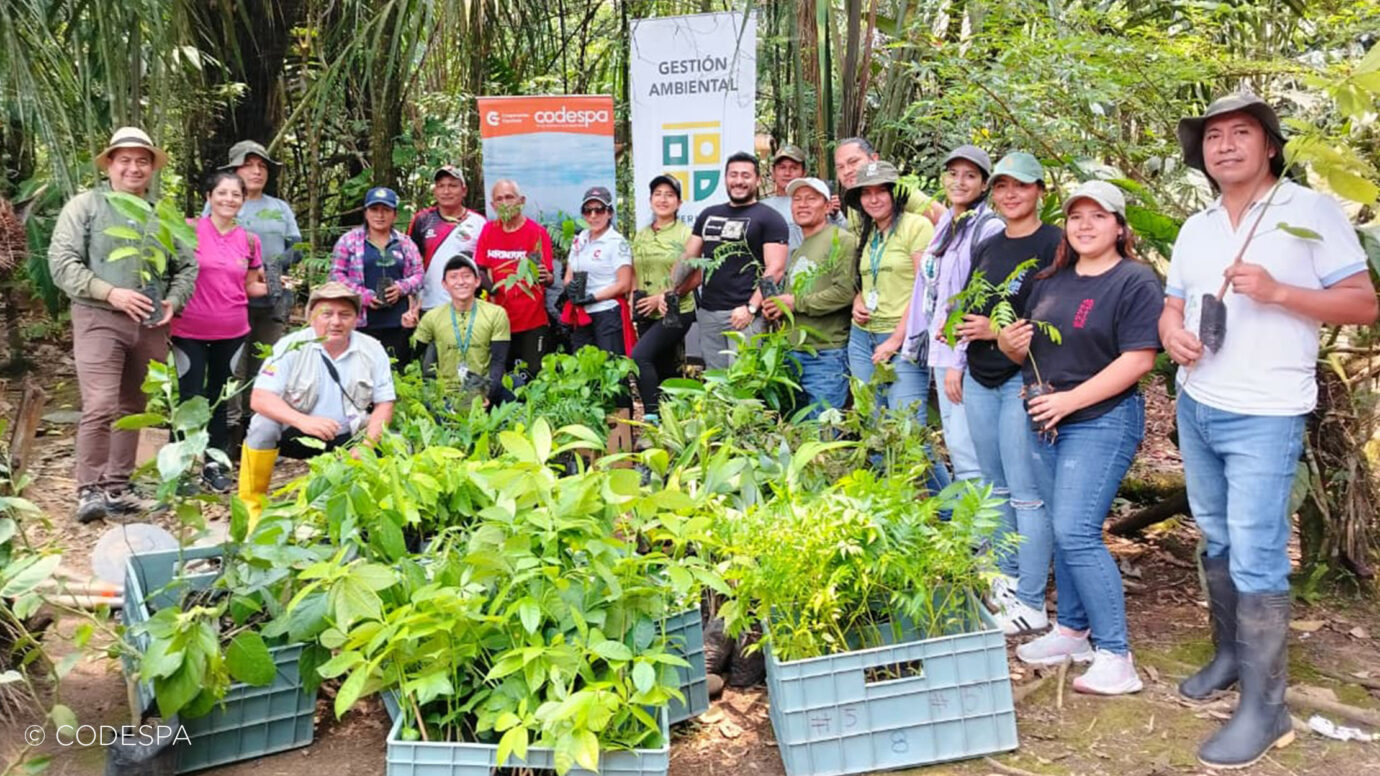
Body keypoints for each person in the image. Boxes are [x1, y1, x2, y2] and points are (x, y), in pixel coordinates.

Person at [1159, 94, 1376, 769]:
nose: (1225, 145)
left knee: (1256, 553)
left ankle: (1266, 707)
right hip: (1198, 402)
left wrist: (1279, 291)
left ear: (1271, 146)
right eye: (1213, 136)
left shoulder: (1308, 211)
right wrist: (1171, 333)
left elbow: (1364, 304)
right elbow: (1173, 302)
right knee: (1218, 537)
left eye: (1241, 133)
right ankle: (1230, 656)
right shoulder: (1196, 227)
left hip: (1266, 410)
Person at [998, 181, 1163, 696]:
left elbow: (1139, 359)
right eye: (1075, 216)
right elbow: (1028, 352)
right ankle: (1071, 631)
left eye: (1098, 216)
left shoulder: (1135, 280)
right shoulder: (1051, 281)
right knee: (1061, 525)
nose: (1085, 225)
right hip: (1046, 419)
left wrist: (1070, 401)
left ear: (1120, 226)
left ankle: (1116, 654)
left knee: (1077, 531)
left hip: (1102, 418)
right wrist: (1008, 345)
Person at [48, 127, 198, 523]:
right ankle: (89, 490)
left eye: (142, 161)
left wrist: (174, 299)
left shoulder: (162, 214)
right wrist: (110, 292)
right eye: (125, 160)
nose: (134, 168)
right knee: (100, 404)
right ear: (109, 165)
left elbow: (188, 265)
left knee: (135, 405)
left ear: (152, 168)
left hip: (150, 323)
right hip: (99, 318)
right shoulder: (86, 206)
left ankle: (118, 487)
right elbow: (62, 263)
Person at [957, 151, 1061, 635]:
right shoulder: (989, 243)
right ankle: (1005, 579)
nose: (1010, 194)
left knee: (1026, 494)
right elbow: (972, 307)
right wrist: (963, 347)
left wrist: (995, 332)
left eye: (1021, 185)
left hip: (1026, 380)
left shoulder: (1056, 244)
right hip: (981, 377)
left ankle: (1031, 597)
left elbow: (1054, 318)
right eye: (1001, 186)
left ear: (1040, 190)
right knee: (993, 487)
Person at [237, 282, 396, 522]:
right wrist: (303, 421)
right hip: (296, 432)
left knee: (390, 440)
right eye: (327, 314)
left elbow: (385, 403)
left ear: (356, 319)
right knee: (262, 426)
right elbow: (260, 398)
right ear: (311, 317)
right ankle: (251, 511)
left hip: (348, 436)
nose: (336, 322)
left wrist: (367, 446)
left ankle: (369, 516)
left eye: (345, 315)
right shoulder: (290, 345)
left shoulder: (372, 349)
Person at [902, 145, 1004, 486]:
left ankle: (980, 521)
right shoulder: (947, 222)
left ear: (985, 184)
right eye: (953, 173)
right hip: (941, 350)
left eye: (970, 176)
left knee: (967, 448)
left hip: (965, 355)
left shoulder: (988, 228)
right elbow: (930, 288)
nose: (959, 182)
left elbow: (977, 299)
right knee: (958, 445)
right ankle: (969, 518)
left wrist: (957, 362)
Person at [174, 170, 268, 492]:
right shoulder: (187, 230)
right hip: (188, 328)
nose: (229, 199)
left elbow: (251, 285)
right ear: (209, 197)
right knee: (189, 396)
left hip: (232, 330)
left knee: (220, 398)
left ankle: (214, 465)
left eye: (236, 194)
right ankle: (184, 466)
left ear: (243, 200)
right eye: (222, 193)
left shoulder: (249, 240)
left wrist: (276, 286)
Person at [208, 141, 302, 444]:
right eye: (248, 165)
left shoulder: (280, 208)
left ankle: (256, 433)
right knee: (233, 366)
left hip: (272, 297)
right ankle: (229, 433)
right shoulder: (222, 202)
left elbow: (296, 247)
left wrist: (272, 269)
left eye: (262, 166)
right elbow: (206, 242)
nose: (256, 171)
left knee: (265, 366)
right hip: (229, 299)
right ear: (235, 170)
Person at [671, 152, 788, 370]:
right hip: (709, 314)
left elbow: (776, 268)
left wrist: (751, 309)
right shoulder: (708, 215)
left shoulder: (770, 218)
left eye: (746, 175)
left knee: (743, 380)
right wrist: (672, 288)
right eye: (733, 175)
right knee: (716, 381)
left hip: (744, 315)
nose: (739, 181)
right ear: (725, 179)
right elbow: (688, 257)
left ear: (757, 180)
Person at [844, 160, 936, 418]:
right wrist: (858, 300)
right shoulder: (869, 231)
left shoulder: (916, 226)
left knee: (906, 423)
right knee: (871, 422)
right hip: (862, 336)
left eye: (881, 191)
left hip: (903, 337)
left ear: (895, 193)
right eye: (866, 193)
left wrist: (896, 340)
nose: (874, 199)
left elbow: (925, 288)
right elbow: (868, 279)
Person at [762, 177, 858, 417]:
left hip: (825, 354)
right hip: (794, 353)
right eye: (797, 199)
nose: (802, 204)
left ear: (827, 206)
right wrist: (778, 308)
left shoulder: (842, 239)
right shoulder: (800, 248)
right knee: (798, 428)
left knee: (823, 430)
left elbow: (845, 292)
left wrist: (795, 303)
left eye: (811, 199)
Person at [329, 187, 424, 368]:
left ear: (394, 215)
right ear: (366, 213)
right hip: (360, 322)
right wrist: (363, 296)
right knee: (359, 370)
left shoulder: (405, 243)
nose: (380, 215)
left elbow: (419, 275)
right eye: (374, 209)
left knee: (395, 369)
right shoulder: (349, 241)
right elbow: (336, 275)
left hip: (398, 322)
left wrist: (400, 288)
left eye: (386, 210)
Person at [629, 175, 696, 425]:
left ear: (679, 202)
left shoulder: (686, 234)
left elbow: (696, 275)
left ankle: (651, 417)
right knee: (663, 366)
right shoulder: (642, 235)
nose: (663, 199)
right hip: (645, 311)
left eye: (669, 195)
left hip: (677, 310)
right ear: (650, 200)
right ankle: (672, 425)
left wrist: (662, 297)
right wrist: (632, 299)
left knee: (640, 357)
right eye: (658, 194)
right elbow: (634, 269)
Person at [475, 179, 554, 376]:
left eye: (509, 197)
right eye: (499, 199)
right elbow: (480, 269)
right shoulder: (488, 230)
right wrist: (493, 291)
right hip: (498, 321)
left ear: (521, 201)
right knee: (502, 378)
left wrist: (546, 276)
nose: (505, 203)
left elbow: (548, 277)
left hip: (531, 321)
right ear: (493, 205)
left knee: (532, 376)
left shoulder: (537, 233)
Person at [413, 255, 510, 406]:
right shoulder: (432, 317)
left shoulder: (496, 314)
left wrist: (488, 394)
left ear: (477, 281)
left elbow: (498, 361)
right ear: (444, 284)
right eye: (453, 277)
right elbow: (411, 355)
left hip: (481, 391)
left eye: (466, 276)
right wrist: (407, 330)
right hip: (444, 395)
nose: (461, 282)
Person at [562, 186, 635, 357]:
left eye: (599, 210)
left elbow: (624, 284)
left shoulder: (616, 242)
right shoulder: (580, 238)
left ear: (609, 213)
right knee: (583, 365)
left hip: (607, 312)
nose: (593, 216)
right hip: (582, 313)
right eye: (588, 211)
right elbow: (569, 275)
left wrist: (594, 297)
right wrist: (569, 287)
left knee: (611, 365)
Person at [408, 164, 487, 315]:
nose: (446, 191)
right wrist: (412, 304)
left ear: (464, 190)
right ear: (435, 191)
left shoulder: (479, 222)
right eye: (441, 186)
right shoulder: (422, 220)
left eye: (452, 186)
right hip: (430, 305)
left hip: (468, 306)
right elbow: (410, 264)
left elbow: (486, 267)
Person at [831, 137, 944, 227]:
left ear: (874, 159)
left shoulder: (897, 189)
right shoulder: (854, 198)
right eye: (840, 167)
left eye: (853, 162)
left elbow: (947, 222)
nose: (846, 171)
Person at [760, 144, 809, 250]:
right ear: (773, 172)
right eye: (782, 168)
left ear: (804, 173)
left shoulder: (814, 205)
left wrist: (836, 216)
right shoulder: (761, 208)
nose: (787, 173)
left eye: (794, 168)